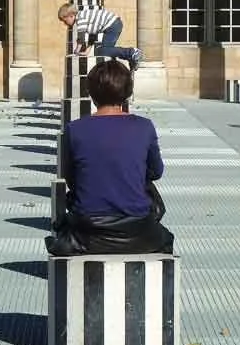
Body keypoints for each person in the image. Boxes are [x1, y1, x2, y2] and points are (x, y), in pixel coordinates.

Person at [45, 60, 173, 256]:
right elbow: (156, 172)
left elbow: (71, 178)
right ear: (127, 91)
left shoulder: (75, 129)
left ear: (91, 93)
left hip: (88, 231)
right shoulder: (144, 126)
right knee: (165, 237)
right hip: (137, 229)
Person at [57, 3, 144, 71]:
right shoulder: (85, 18)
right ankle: (131, 59)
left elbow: (81, 36)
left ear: (71, 15)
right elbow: (92, 36)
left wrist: (77, 49)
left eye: (65, 21)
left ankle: (132, 52)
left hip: (112, 25)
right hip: (113, 25)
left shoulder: (80, 18)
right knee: (105, 51)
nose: (65, 24)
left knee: (103, 51)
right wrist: (87, 51)